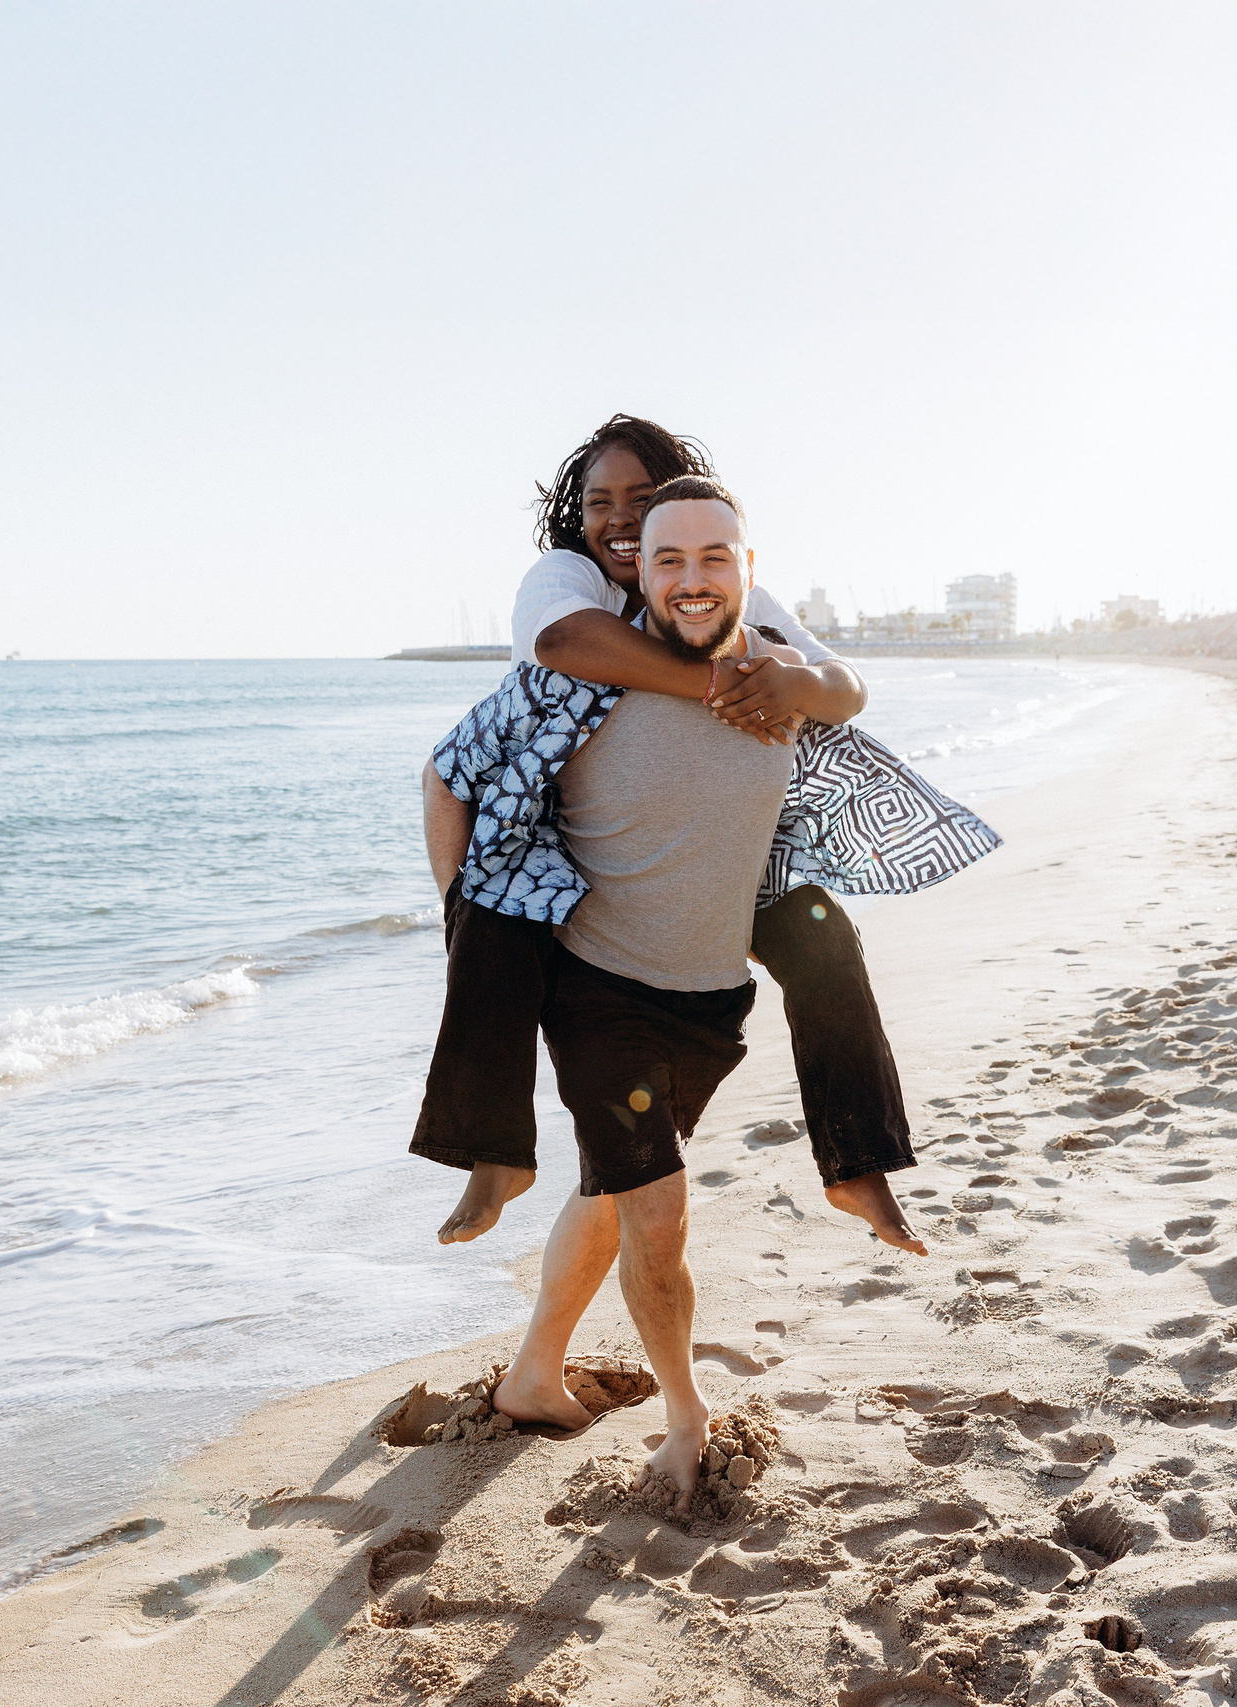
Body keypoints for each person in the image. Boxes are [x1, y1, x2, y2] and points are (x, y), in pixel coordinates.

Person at [423, 476, 991, 1499]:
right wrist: (468, 931)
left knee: (614, 1188)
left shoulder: (779, 685)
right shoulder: (577, 683)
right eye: (667, 558)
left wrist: (810, 682)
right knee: (657, 1214)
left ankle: (529, 1380)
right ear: (637, 565)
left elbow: (845, 710)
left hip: (709, 994)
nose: (691, 580)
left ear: (749, 570)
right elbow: (449, 772)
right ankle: (686, 1419)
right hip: (596, 988)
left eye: (713, 558)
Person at [411, 415, 936, 1256]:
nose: (620, 519)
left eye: (643, 499)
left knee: (825, 939)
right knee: (490, 927)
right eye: (600, 502)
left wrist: (796, 678)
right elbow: (565, 643)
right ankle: (494, 1155)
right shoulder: (567, 576)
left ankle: (857, 1161)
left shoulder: (721, 581)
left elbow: (846, 685)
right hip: (566, 843)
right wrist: (728, 679)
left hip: (713, 843)